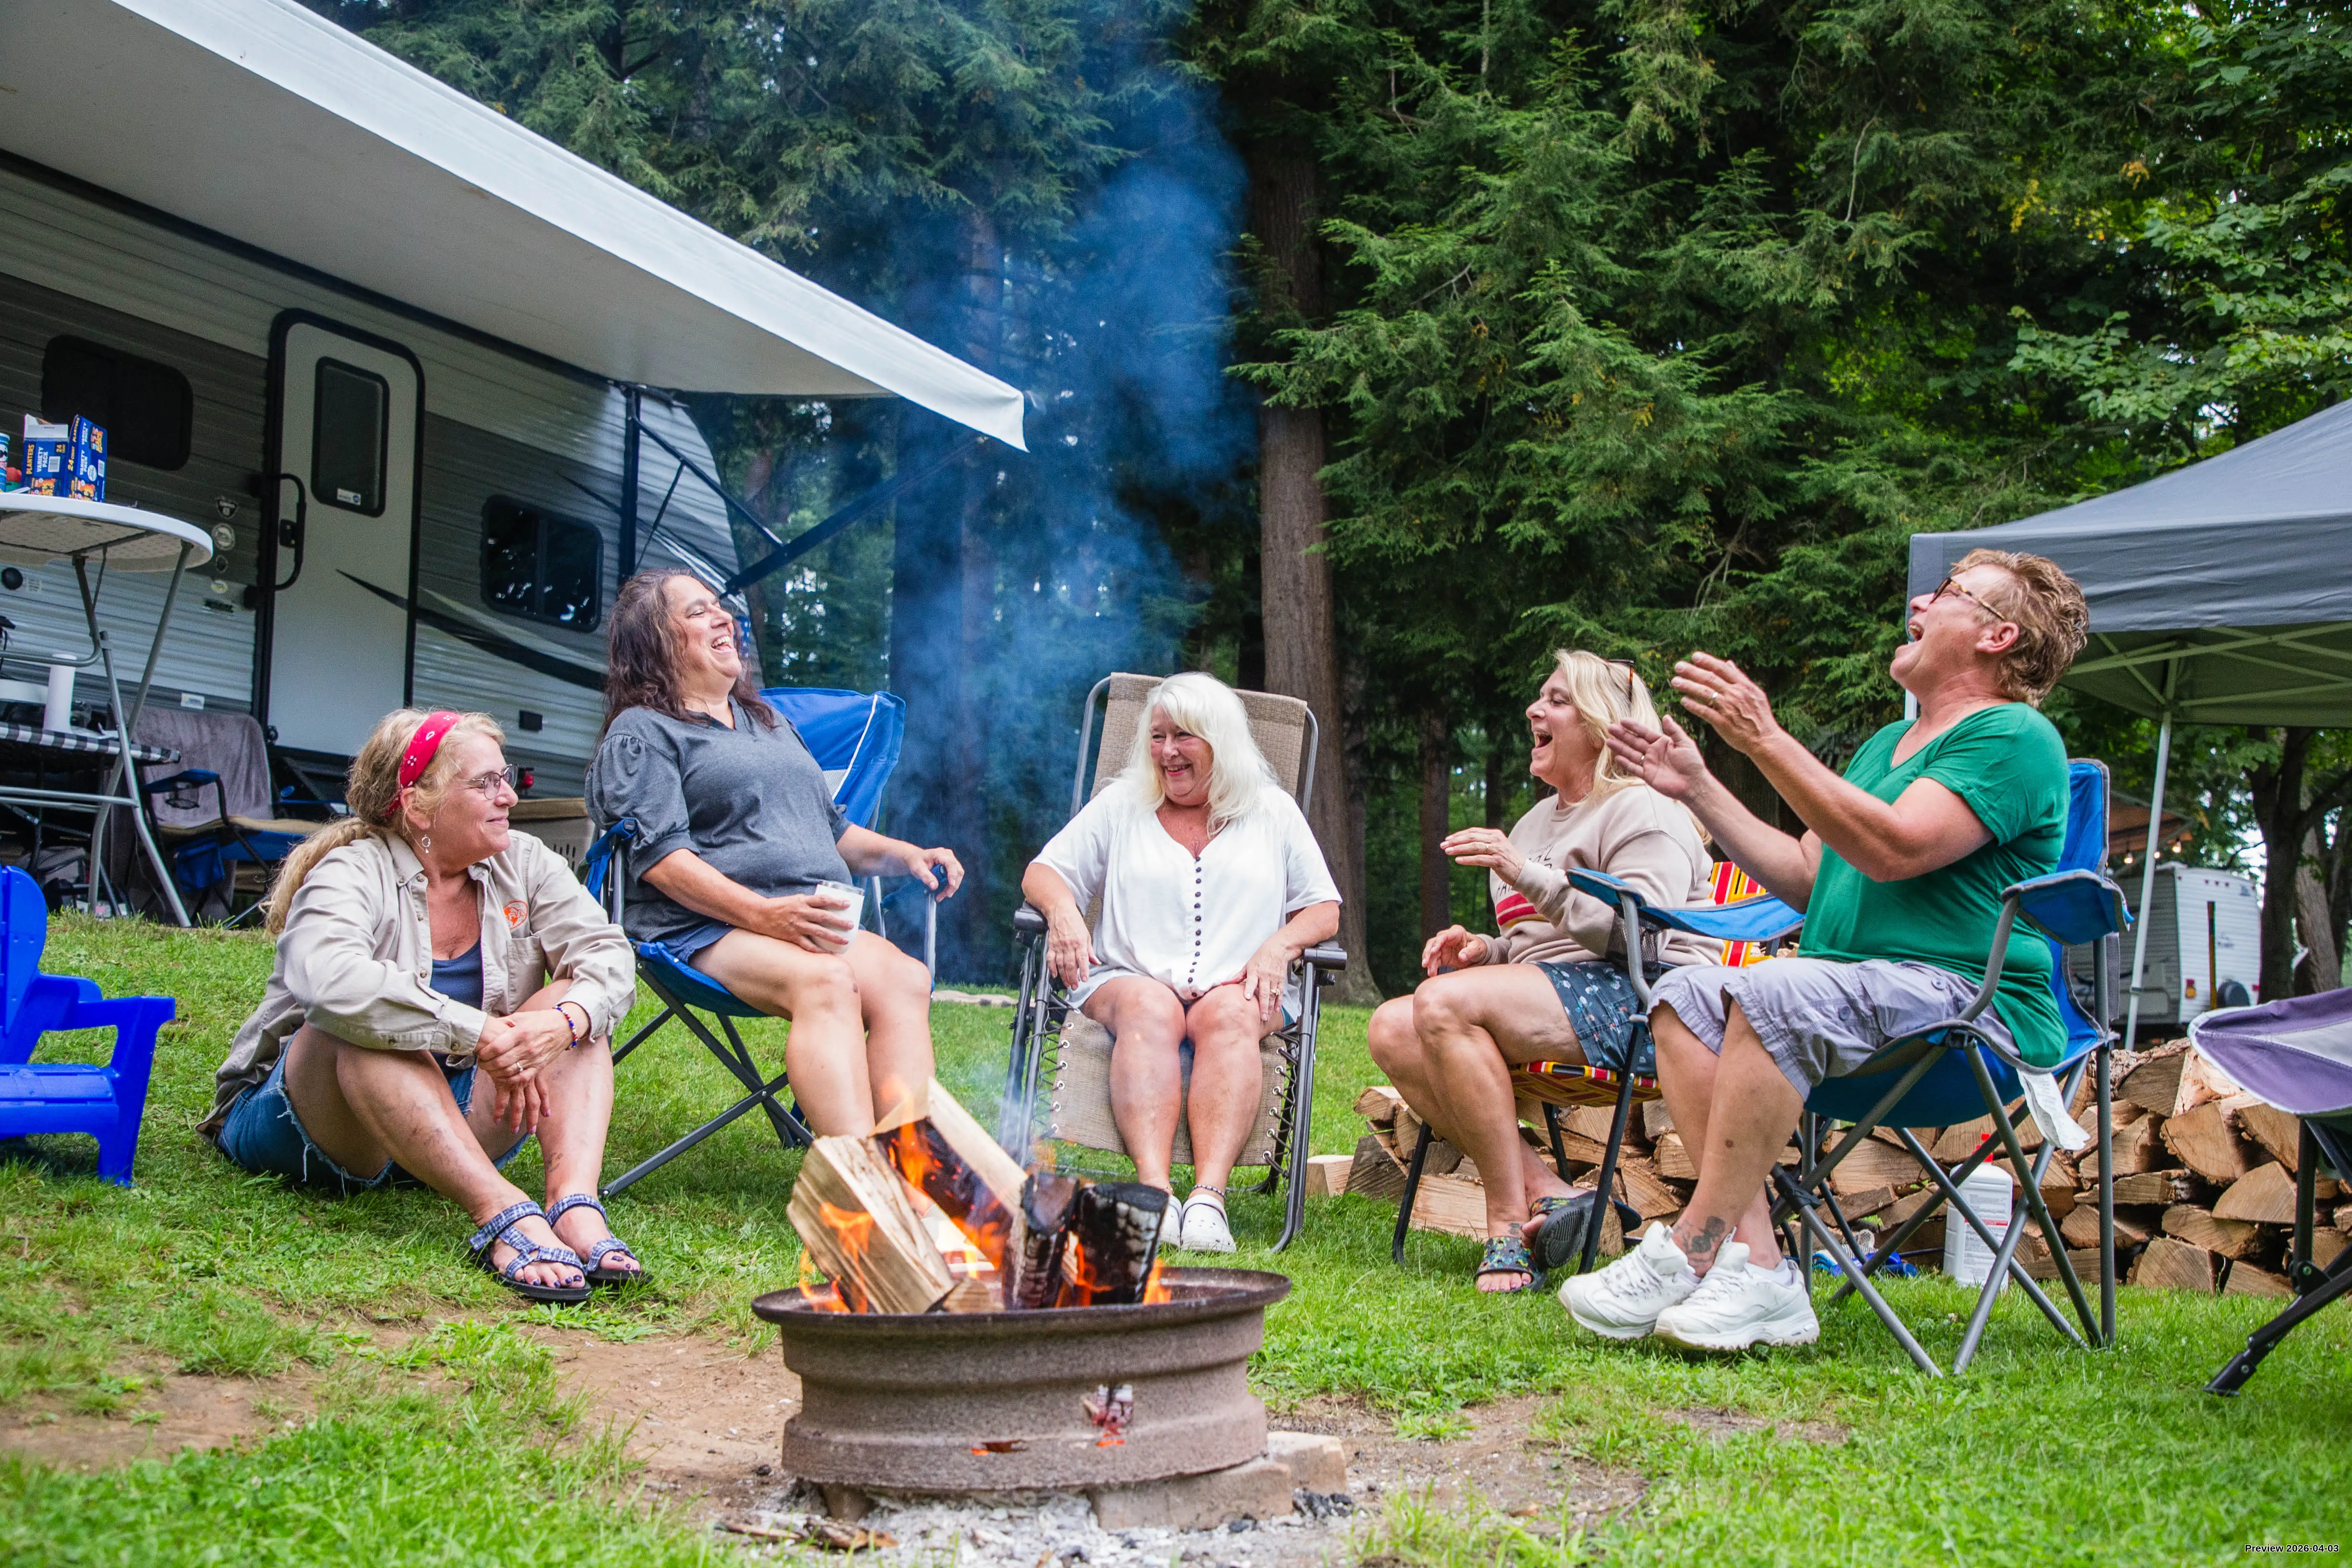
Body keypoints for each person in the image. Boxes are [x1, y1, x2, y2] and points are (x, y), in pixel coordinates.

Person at [1565, 547, 2090, 1352]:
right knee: (1683, 995)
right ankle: (1760, 1268)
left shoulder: (2014, 736)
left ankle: (1690, 1247)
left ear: (1999, 636)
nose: (1920, 603)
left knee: (1775, 991)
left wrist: (1766, 739)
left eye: (1950, 593)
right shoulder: (1886, 745)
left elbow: (1895, 848)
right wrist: (1699, 786)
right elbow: (1811, 877)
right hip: (1852, 1006)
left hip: (1969, 1013)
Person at [203, 709, 641, 1305]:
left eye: (507, 777)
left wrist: (562, 1023)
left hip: (448, 1120)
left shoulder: (525, 860)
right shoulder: (351, 870)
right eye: (485, 783)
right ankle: (502, 1211)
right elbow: (329, 980)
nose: (509, 796)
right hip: (319, 1121)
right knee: (363, 1024)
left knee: (575, 1009)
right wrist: (479, 1031)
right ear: (417, 805)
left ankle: (572, 1204)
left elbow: (607, 954)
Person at [1366, 651, 1716, 1292]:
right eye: (1539, 696)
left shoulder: (1643, 808)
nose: (1534, 709)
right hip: (1564, 1000)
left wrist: (1524, 873)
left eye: (1557, 700)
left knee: (1442, 1004)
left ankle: (1505, 1221)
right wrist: (1485, 951)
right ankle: (1548, 1188)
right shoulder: (1534, 824)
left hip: (1647, 1008)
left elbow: (1643, 937)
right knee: (1390, 1024)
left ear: (1602, 726)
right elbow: (1536, 946)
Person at [587, 570, 962, 1138]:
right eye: (697, 611)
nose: (721, 617)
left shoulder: (769, 722)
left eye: (719, 606)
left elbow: (833, 831)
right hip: (702, 927)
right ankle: (855, 1175)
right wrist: (765, 915)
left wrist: (906, 854)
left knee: (905, 979)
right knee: (826, 981)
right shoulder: (643, 732)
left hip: (799, 918)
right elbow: (662, 861)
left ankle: (909, 1161)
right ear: (654, 640)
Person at [1021, 672, 1341, 1252]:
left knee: (1231, 1014)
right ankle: (1155, 1193)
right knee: (1150, 1007)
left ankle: (1207, 1201)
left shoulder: (1272, 811)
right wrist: (1065, 913)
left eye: (1184, 736)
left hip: (1240, 984)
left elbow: (1323, 909)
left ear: (1220, 740)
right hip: (1129, 978)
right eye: (1157, 736)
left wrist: (1278, 947)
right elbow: (1043, 872)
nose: (1167, 751)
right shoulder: (1122, 803)